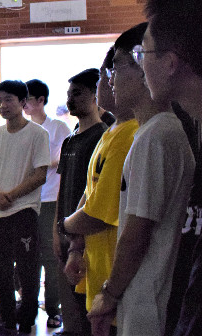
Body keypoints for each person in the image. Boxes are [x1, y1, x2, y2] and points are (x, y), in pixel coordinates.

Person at [86, 20, 196, 336]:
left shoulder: (157, 135)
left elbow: (138, 230)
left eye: (117, 67)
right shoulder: (148, 132)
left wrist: (109, 293)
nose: (111, 79)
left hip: (151, 296)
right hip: (142, 292)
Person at [119, 0, 202, 336]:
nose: (142, 65)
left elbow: (139, 230)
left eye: (143, 53)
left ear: (170, 63)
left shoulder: (161, 132)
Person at [61, 25, 143, 334]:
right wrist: (75, 248)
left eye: (111, 73)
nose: (106, 82)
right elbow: (89, 193)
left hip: (115, 273)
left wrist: (64, 227)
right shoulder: (110, 133)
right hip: (95, 265)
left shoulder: (130, 135)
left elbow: (97, 214)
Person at [0, 80, 50, 336]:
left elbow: (40, 175)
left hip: (24, 210)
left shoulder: (37, 134)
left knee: (28, 271)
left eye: (8, 99)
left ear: (23, 102)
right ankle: (8, 321)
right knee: (0, 273)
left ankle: (27, 321)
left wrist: (10, 195)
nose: (2, 105)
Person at [52, 68, 108, 336]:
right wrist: (56, 228)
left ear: (96, 95)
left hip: (88, 231)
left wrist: (78, 236)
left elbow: (97, 193)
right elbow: (62, 187)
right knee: (71, 294)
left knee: (89, 300)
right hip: (66, 227)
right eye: (68, 94)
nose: (70, 99)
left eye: (77, 93)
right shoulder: (70, 139)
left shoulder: (102, 136)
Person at [24, 79, 71, 329]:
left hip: (51, 198)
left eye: (28, 99)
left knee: (51, 256)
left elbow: (65, 161)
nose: (24, 104)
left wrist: (41, 164)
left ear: (41, 100)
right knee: (25, 255)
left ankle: (53, 309)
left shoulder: (58, 127)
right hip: (25, 200)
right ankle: (28, 307)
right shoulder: (22, 130)